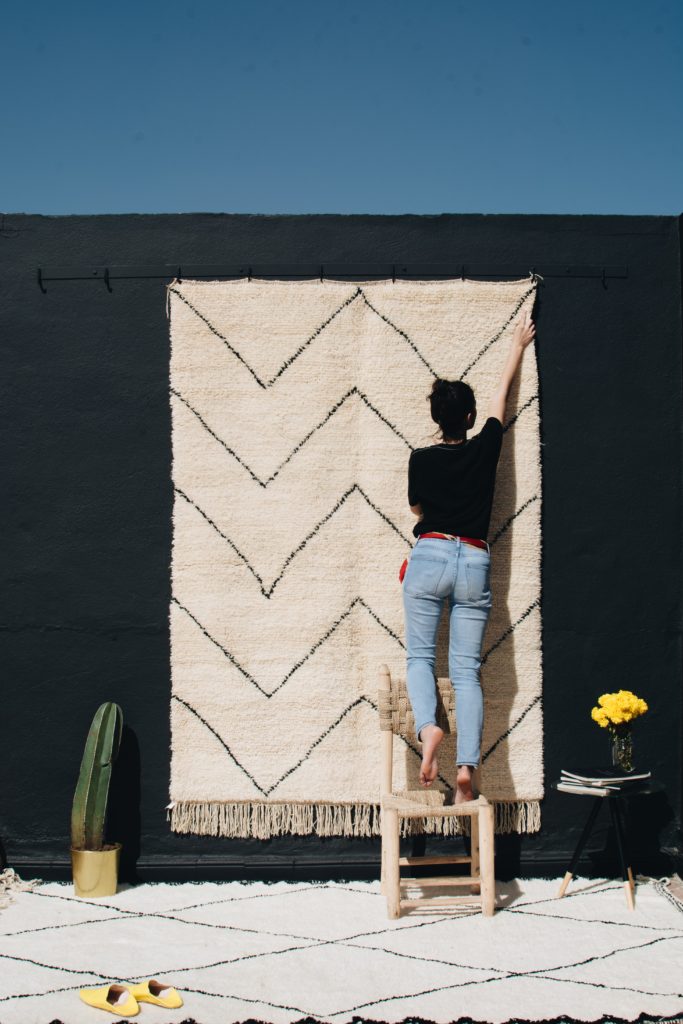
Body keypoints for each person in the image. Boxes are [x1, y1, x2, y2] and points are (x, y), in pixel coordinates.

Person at [402, 310, 537, 802]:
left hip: (430, 552)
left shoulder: (421, 458)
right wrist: (517, 348)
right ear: (470, 418)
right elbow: (503, 401)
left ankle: (427, 730)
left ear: (437, 418)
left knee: (419, 655)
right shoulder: (485, 448)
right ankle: (467, 772)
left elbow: (417, 507)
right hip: (475, 560)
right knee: (466, 672)